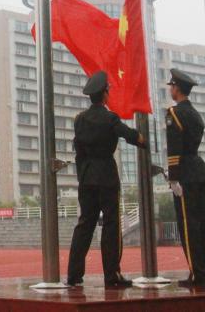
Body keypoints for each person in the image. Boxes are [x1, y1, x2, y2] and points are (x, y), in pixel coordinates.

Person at [65, 72, 147, 288]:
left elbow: (78, 150)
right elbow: (130, 135)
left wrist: (83, 173)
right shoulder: (110, 118)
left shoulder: (80, 119)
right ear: (105, 94)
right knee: (111, 225)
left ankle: (73, 275)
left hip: (86, 176)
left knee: (85, 225)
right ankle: (112, 275)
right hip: (107, 176)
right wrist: (142, 139)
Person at [166, 68, 205, 288]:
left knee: (188, 225)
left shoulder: (174, 113)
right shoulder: (195, 113)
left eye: (171, 86)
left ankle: (197, 272)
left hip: (184, 172)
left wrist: (173, 177)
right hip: (198, 169)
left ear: (176, 88)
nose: (171, 90)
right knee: (202, 224)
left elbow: (174, 147)